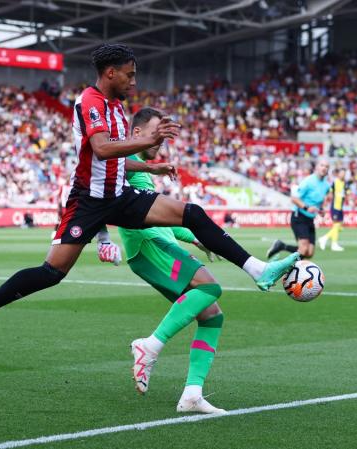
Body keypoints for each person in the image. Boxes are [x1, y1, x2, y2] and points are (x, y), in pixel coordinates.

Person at [0, 44, 298, 361]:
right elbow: (103, 149)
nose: (134, 82)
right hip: (88, 201)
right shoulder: (89, 102)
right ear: (110, 73)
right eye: (129, 75)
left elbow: (115, 161)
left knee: (190, 213)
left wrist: (150, 166)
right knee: (51, 272)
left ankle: (258, 270)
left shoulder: (117, 109)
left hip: (118, 196)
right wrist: (148, 140)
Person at [105, 108, 226, 414]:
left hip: (161, 243)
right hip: (149, 247)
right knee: (210, 288)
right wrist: (101, 238)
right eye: (155, 132)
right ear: (136, 133)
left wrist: (194, 237)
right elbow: (94, 189)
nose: (160, 140)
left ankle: (193, 394)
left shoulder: (143, 170)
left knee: (211, 314)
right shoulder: (125, 164)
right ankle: (150, 346)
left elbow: (161, 220)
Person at [266, 158, 331, 260]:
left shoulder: (326, 185)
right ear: (317, 167)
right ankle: (286, 271)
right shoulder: (308, 181)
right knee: (304, 249)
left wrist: (321, 209)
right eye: (322, 165)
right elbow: (294, 198)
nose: (324, 168)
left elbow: (321, 200)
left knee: (309, 253)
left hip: (310, 219)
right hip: (299, 216)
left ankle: (282, 246)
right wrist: (306, 207)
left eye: (326, 167)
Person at [317, 167, 346, 251]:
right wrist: (324, 203)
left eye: (344, 173)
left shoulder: (343, 183)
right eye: (341, 173)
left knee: (339, 227)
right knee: (336, 225)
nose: (343, 175)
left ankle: (324, 238)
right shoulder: (335, 182)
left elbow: (344, 194)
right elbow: (329, 192)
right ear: (338, 174)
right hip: (335, 207)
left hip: (340, 207)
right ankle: (334, 244)